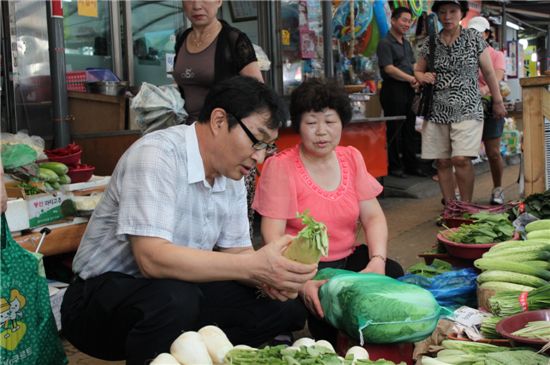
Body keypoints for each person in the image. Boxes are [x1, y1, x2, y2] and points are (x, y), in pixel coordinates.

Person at [61, 76, 317, 365]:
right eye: (256, 141)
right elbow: (152, 259)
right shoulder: (156, 155)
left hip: (175, 290)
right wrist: (253, 265)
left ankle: (208, 356)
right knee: (177, 299)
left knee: (285, 309)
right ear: (220, 120)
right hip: (95, 304)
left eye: (267, 147)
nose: (258, 157)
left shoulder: (233, 173)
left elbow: (238, 255)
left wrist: (278, 275)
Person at [253, 78, 404, 345]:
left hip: (345, 263)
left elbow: (373, 217)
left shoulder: (351, 158)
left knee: (392, 272)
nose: (321, 131)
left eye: (330, 122)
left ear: (342, 123)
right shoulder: (281, 166)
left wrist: (377, 260)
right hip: (300, 269)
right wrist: (300, 283)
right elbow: (272, 234)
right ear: (298, 126)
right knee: (289, 308)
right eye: (311, 123)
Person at [173, 0, 264, 237]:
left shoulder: (234, 40)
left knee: (228, 225)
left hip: (228, 143)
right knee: (192, 219)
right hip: (191, 141)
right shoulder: (182, 39)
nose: (196, 5)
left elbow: (258, 94)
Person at [414, 0, 506, 204]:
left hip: (468, 107)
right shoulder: (430, 42)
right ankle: (450, 206)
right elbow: (418, 69)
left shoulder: (473, 38)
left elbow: (490, 72)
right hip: (436, 109)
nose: (447, 16)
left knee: (461, 158)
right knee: (443, 161)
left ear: (462, 13)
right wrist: (422, 77)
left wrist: (497, 101)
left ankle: (465, 206)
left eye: (453, 11)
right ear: (437, 15)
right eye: (443, 12)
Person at [376, 7, 425, 178]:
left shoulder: (406, 43)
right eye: (404, 20)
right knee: (394, 128)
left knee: (410, 128)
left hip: (408, 89)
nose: (407, 24)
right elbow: (389, 69)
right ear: (393, 20)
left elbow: (412, 65)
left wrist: (418, 77)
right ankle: (395, 166)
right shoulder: (385, 43)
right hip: (392, 89)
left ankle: (412, 165)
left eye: (409, 21)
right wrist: (410, 78)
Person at [468, 16, 507, 205]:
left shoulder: (496, 55)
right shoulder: (463, 54)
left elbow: (497, 75)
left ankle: (498, 188)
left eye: (479, 32)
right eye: (472, 33)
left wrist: (484, 90)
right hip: (467, 106)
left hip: (491, 106)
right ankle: (462, 194)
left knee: (493, 152)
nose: (476, 36)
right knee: (463, 152)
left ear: (487, 34)